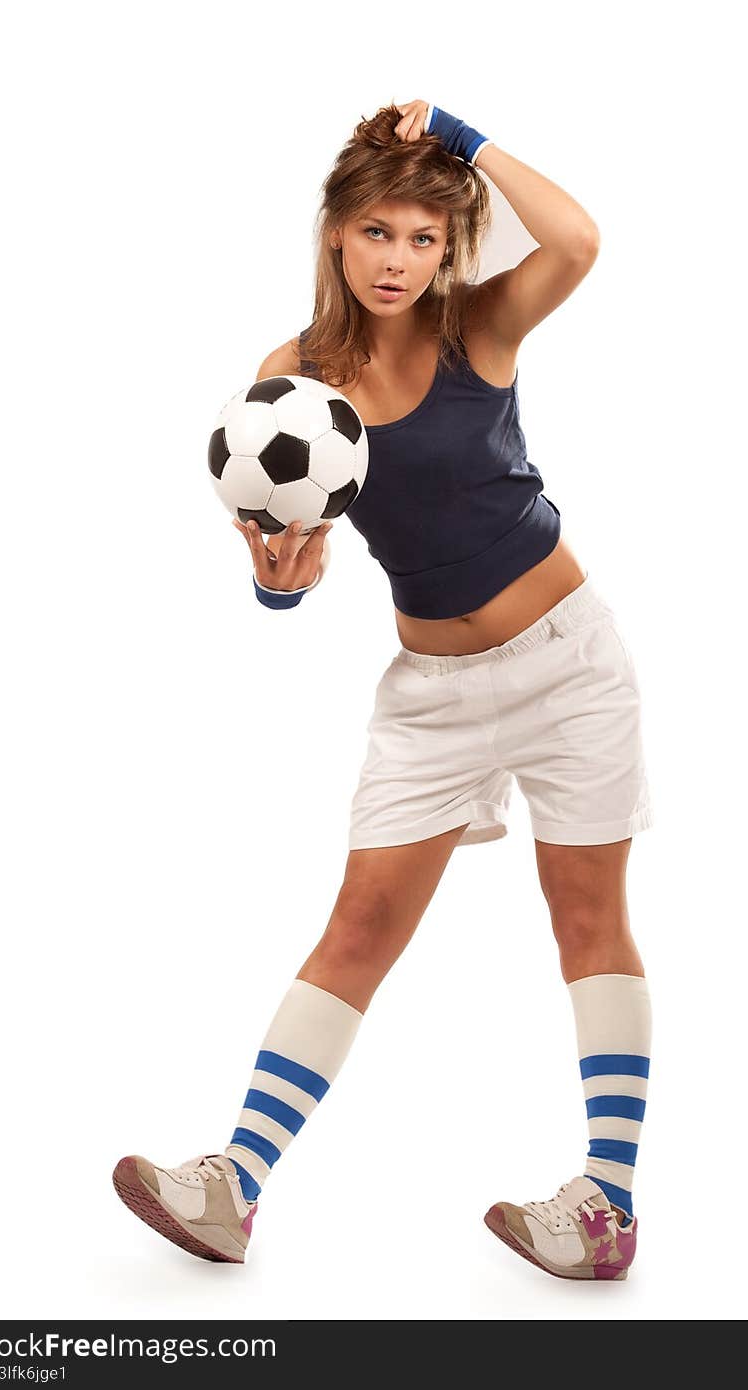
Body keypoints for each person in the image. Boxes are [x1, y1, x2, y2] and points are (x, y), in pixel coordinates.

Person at [113, 100, 654, 1282]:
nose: (398, 259)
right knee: (357, 926)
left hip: (567, 661)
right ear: (335, 237)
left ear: (447, 248)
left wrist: (460, 134)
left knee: (585, 920)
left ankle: (606, 1205)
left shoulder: (480, 326)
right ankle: (233, 1189)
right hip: (432, 691)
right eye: (376, 233)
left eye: (421, 236)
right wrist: (278, 582)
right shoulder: (290, 379)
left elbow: (575, 238)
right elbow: (288, 553)